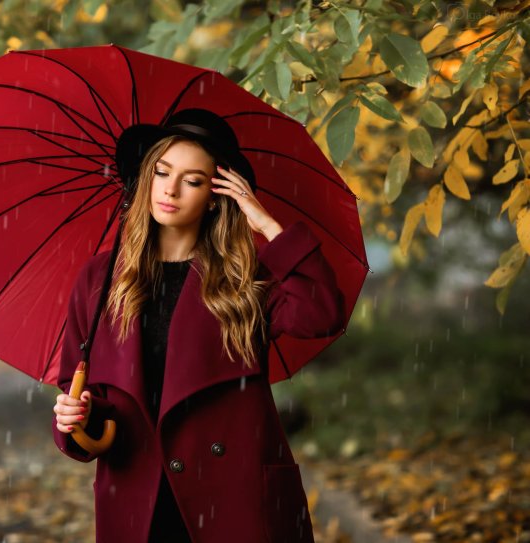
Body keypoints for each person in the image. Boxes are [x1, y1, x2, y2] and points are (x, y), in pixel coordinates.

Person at [51, 108, 344, 543]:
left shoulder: (246, 280)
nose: (170, 190)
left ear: (214, 195)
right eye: (162, 172)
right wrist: (77, 416)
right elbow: (90, 396)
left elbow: (323, 314)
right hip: (139, 495)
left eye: (191, 180)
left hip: (232, 496)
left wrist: (267, 225)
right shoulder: (100, 279)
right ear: (146, 177)